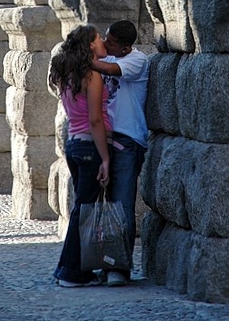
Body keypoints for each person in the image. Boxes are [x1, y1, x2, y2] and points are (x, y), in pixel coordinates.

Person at [50, 24, 111, 288]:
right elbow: (95, 120)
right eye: (99, 38)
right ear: (89, 45)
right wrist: (105, 158)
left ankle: (67, 268)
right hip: (89, 146)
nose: (103, 42)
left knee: (80, 210)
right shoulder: (91, 76)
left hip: (74, 144)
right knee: (83, 211)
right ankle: (70, 274)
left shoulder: (67, 74)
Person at [91, 19, 149, 287]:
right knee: (100, 205)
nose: (105, 44)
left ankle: (120, 268)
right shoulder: (106, 57)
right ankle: (102, 263)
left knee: (122, 205)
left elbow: (112, 69)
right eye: (104, 39)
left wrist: (83, 59)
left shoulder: (136, 61)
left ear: (126, 47)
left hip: (127, 139)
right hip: (104, 139)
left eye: (111, 42)